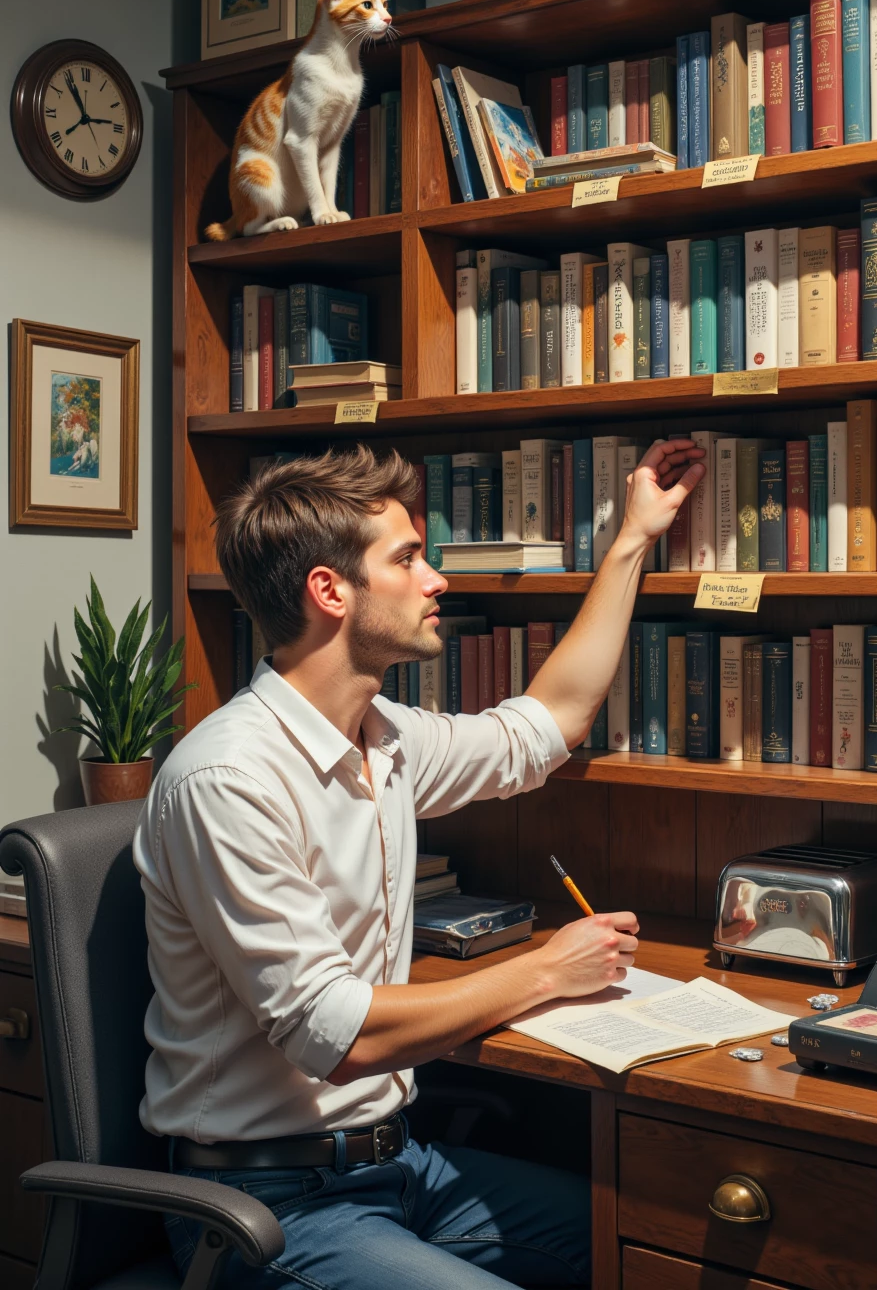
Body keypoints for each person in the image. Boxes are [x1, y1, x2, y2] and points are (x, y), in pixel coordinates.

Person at [134, 436, 705, 1290]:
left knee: (661, 1244)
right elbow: (340, 1033)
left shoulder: (386, 740)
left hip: (404, 1167)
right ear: (329, 592)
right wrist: (549, 972)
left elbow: (547, 725)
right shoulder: (228, 779)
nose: (437, 579)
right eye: (407, 559)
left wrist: (632, 540)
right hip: (262, 1206)